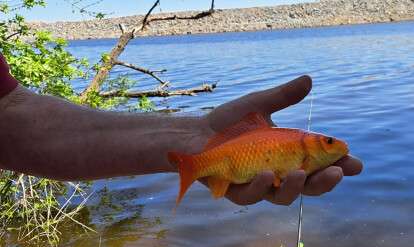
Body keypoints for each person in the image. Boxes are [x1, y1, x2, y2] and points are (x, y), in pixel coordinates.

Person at [0, 53, 362, 206]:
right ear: (314, 145)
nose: (332, 145)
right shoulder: (300, 147)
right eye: (327, 141)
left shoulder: (303, 150)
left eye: (328, 142)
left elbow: (10, 117)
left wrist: (187, 139)